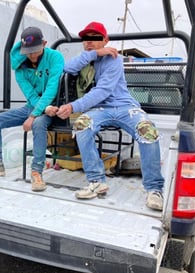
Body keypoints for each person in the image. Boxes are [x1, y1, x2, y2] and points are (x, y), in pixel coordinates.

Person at [56, 22, 165, 210]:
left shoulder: (114, 59)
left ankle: (154, 189)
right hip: (101, 110)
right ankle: (97, 181)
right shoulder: (88, 58)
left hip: (125, 108)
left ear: (105, 40)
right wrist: (94, 54)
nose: (89, 42)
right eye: (86, 38)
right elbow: (66, 68)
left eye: (95, 38)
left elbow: (103, 90)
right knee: (82, 125)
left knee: (147, 131)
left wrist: (74, 106)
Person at [0, 26, 64, 191]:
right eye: (28, 51)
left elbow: (52, 88)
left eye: (35, 50)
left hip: (54, 108)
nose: (32, 55)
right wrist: (38, 111)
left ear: (44, 43)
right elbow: (30, 95)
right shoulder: (20, 68)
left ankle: (36, 173)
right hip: (36, 106)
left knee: (37, 124)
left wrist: (35, 115)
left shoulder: (55, 57)